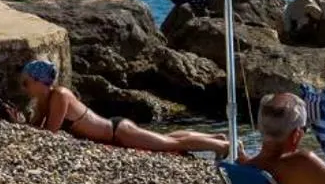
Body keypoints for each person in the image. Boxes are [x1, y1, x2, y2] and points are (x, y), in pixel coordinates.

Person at [14, 59, 230, 156]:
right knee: (168, 138)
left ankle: (223, 146)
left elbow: (49, 132)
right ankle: (216, 138)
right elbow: (36, 130)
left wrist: (26, 126)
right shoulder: (44, 101)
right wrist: (21, 123)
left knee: (170, 144)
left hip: (118, 133)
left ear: (39, 82)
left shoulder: (60, 96)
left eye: (26, 83)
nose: (24, 88)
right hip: (115, 133)